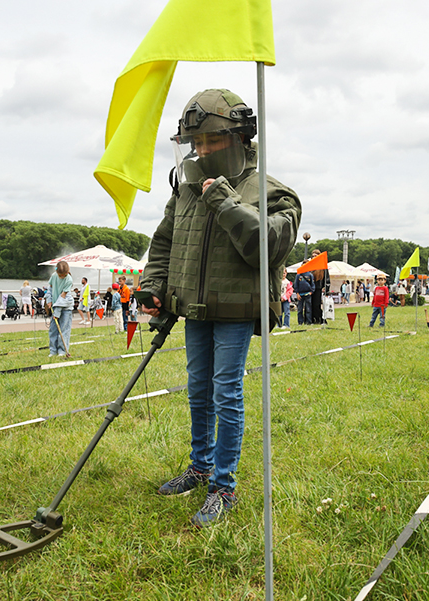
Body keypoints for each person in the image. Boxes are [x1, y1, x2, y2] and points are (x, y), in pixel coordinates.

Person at [139, 89, 301, 527]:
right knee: (198, 390)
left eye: (212, 141)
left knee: (226, 392)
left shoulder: (273, 191)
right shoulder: (186, 191)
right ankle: (199, 465)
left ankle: (224, 486)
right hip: (194, 308)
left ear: (239, 137)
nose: (203, 151)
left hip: (236, 309)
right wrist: (153, 284)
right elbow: (165, 243)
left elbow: (268, 245)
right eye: (196, 143)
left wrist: (225, 203)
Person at [47, 260, 74, 356]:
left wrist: (57, 313)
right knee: (53, 329)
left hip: (66, 306)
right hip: (55, 305)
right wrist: (49, 300)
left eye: (63, 275)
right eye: (60, 275)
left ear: (67, 272)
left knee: (64, 329)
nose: (61, 277)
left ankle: (62, 350)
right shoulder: (54, 276)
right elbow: (49, 288)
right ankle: (53, 350)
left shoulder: (69, 279)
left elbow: (62, 297)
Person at [309, 248, 328, 324]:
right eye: (313, 256)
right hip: (310, 288)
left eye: (315, 255)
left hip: (318, 288)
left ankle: (320, 319)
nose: (314, 257)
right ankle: (312, 319)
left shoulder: (322, 267)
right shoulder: (310, 265)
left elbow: (326, 279)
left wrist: (326, 289)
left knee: (316, 305)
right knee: (310, 305)